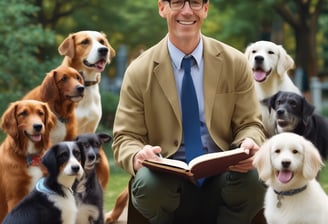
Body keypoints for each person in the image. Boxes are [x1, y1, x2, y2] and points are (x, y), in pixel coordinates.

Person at [112, 0, 266, 223]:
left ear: (205, 8)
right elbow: (125, 137)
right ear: (162, 8)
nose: (186, 11)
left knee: (255, 178)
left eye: (194, 2)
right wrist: (137, 154)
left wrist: (249, 142)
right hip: (165, 178)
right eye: (176, 2)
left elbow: (250, 124)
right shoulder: (138, 71)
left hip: (224, 174)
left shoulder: (236, 62)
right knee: (147, 183)